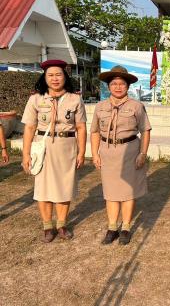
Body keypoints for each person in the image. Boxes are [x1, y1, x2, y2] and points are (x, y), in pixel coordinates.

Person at [21, 59, 87, 242]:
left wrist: (81, 153)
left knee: (65, 187)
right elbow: (29, 128)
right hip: (43, 147)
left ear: (65, 76)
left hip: (67, 147)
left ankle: (62, 225)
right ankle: (47, 226)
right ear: (45, 77)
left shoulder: (75, 99)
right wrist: (25, 154)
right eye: (50, 75)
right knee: (43, 188)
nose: (55, 78)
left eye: (58, 74)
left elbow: (81, 128)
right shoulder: (36, 99)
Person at [90, 65, 151, 245]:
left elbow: (145, 130)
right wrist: (94, 153)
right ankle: (111, 227)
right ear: (108, 86)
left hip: (130, 151)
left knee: (127, 192)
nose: (118, 87)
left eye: (122, 83)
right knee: (110, 192)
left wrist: (143, 153)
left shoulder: (136, 106)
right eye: (114, 83)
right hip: (108, 152)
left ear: (127, 86)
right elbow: (94, 132)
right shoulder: (100, 107)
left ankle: (125, 227)